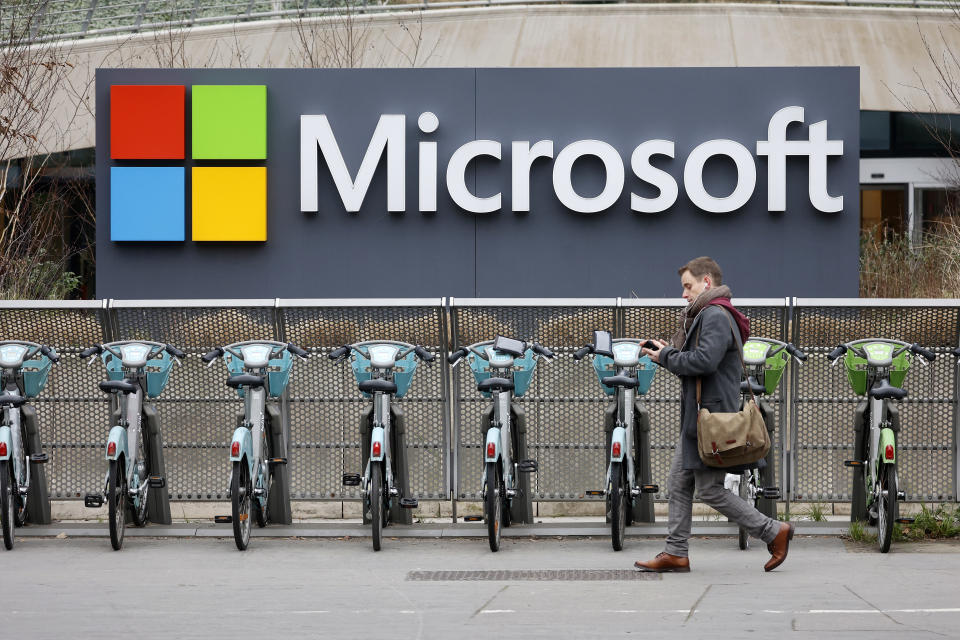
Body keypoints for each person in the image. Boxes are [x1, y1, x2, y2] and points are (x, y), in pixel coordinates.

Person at [633, 256, 793, 573]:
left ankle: (773, 531)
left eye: (688, 286)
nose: (683, 294)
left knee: (709, 489)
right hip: (699, 418)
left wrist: (666, 355)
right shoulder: (707, 315)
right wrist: (668, 353)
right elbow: (698, 360)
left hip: (711, 420)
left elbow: (704, 362)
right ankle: (676, 552)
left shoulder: (716, 316)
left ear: (707, 282)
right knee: (678, 483)